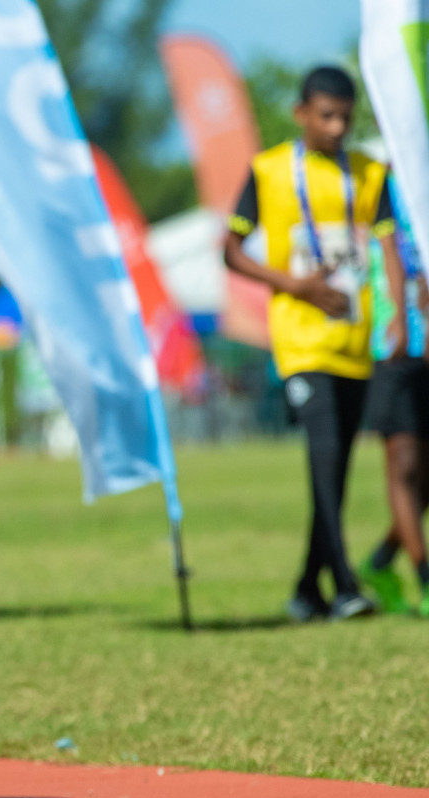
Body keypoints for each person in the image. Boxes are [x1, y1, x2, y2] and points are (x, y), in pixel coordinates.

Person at [223, 66, 405, 622]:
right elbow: (230, 249)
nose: (336, 126)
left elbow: (389, 246)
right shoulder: (269, 171)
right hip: (301, 340)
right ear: (301, 112)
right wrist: (294, 285)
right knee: (323, 456)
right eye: (325, 115)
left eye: (345, 117)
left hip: (355, 337)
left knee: (338, 465)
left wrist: (396, 314)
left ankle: (307, 589)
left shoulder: (371, 173)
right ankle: (346, 584)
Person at [357, 175, 429, 616]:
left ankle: (382, 560)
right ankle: (424, 579)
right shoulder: (386, 180)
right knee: (404, 463)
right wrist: (401, 316)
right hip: (396, 346)